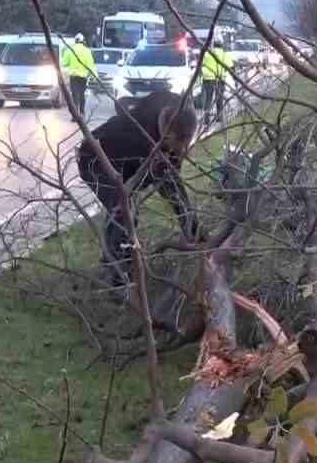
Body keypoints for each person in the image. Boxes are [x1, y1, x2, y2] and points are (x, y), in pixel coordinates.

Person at [76, 91, 200, 286]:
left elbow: (174, 186)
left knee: (133, 203)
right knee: (124, 212)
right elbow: (167, 183)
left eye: (184, 145)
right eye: (175, 145)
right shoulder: (138, 131)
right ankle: (121, 276)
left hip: (126, 164)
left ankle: (114, 261)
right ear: (165, 132)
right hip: (95, 159)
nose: (181, 152)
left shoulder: (179, 111)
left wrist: (193, 229)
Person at [61, 33, 97, 114]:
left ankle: (75, 114)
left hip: (73, 76)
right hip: (83, 77)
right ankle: (82, 112)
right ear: (83, 41)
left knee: (74, 96)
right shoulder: (87, 51)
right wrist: (95, 76)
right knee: (82, 95)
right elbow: (91, 65)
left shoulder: (69, 50)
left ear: (75, 40)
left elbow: (64, 63)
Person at [199, 40, 233, 121]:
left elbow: (200, 65)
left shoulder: (207, 53)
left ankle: (206, 119)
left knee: (208, 99)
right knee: (219, 99)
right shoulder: (224, 55)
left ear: (213, 46)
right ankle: (219, 117)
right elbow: (231, 67)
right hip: (220, 79)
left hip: (208, 79)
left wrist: (201, 75)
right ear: (222, 46)